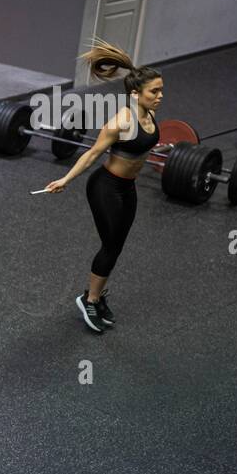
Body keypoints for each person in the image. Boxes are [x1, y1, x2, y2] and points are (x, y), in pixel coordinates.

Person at [45, 39, 163, 333]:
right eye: (155, 91)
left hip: (129, 187)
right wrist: (65, 180)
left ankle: (94, 296)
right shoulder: (120, 122)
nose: (160, 96)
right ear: (136, 94)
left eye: (161, 90)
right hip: (105, 187)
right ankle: (89, 299)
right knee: (110, 245)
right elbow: (92, 153)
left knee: (117, 245)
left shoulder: (149, 114)